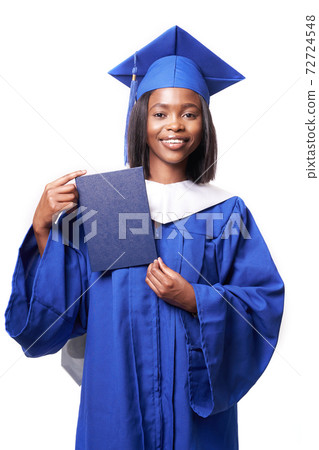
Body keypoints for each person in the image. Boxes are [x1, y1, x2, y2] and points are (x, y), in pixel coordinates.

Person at [5, 26, 284, 449]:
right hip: (115, 406)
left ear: (204, 123)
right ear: (141, 118)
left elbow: (262, 305)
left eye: (189, 113)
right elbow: (58, 315)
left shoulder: (226, 212)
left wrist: (195, 299)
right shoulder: (108, 204)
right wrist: (44, 225)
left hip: (196, 417)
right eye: (160, 113)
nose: (175, 125)